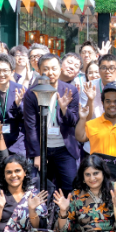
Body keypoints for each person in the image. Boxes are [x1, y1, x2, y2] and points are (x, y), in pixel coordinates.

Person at [22, 51, 84, 195]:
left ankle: (67, 216)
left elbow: (74, 121)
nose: (50, 72)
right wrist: (37, 154)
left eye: (54, 68)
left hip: (64, 147)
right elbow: (30, 126)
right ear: (38, 70)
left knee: (70, 187)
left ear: (60, 68)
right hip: (43, 148)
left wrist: (64, 109)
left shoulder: (70, 90)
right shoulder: (32, 93)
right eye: (46, 69)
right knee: (42, 189)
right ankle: (45, 215)